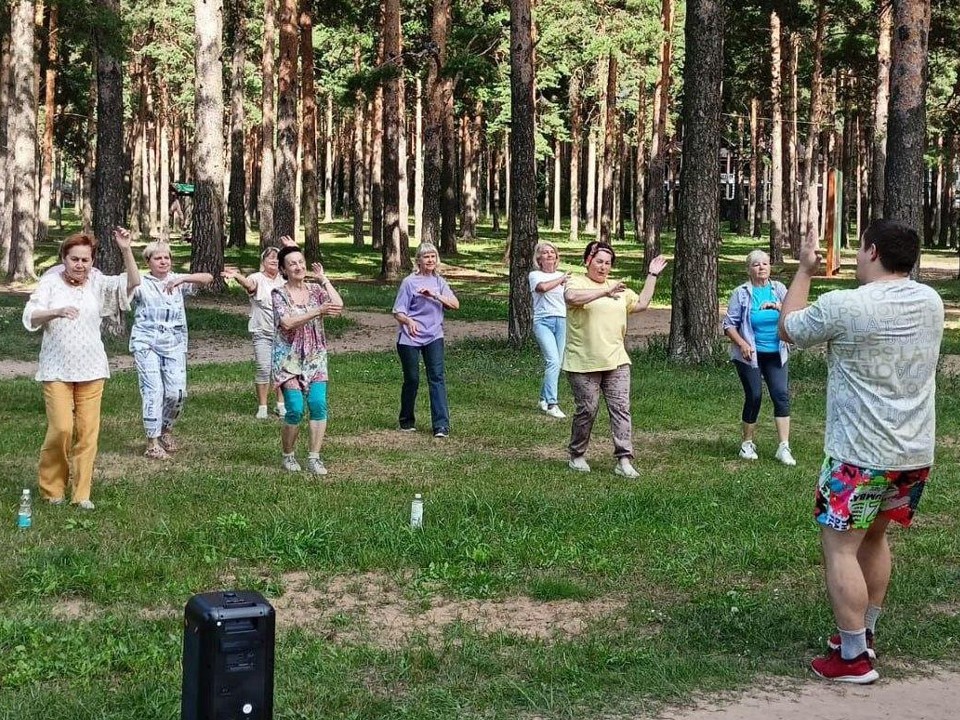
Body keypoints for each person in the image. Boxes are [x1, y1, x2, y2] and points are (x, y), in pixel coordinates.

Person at [779, 220, 944, 684]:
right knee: (875, 539)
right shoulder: (930, 302)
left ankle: (852, 658)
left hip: (859, 455)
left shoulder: (847, 305)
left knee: (839, 547)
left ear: (871, 251)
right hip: (913, 452)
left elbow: (789, 329)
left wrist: (805, 271)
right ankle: (865, 634)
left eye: (859, 249)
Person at [22, 229, 141, 510]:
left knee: (88, 433)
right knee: (62, 429)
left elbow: (132, 284)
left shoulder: (97, 282)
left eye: (85, 260)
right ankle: (53, 489)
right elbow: (31, 315)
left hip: (92, 368)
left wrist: (126, 249)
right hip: (57, 369)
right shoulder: (51, 283)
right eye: (74, 259)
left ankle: (81, 494)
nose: (80, 265)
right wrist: (56, 311)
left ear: (92, 261)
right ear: (64, 258)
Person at [563, 241, 667, 478]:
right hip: (583, 361)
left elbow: (641, 303)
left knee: (621, 409)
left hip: (617, 360)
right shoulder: (576, 282)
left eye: (608, 263)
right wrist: (603, 292)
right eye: (599, 261)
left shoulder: (618, 287)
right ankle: (577, 455)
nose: (603, 267)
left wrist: (652, 275)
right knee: (587, 410)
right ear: (588, 261)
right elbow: (571, 297)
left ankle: (624, 459)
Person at [130, 242, 214, 459]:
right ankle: (152, 442)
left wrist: (183, 279)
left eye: (166, 258)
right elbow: (128, 287)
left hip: (174, 344)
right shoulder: (141, 282)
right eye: (158, 258)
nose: (163, 262)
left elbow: (208, 278)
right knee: (153, 391)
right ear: (148, 262)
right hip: (145, 343)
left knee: (177, 393)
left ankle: (166, 429)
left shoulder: (177, 280)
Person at [272, 245, 344, 475]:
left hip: (315, 355)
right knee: (294, 407)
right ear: (283, 269)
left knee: (317, 404)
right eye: (292, 263)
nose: (298, 266)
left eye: (301, 262)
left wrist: (324, 280)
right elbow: (287, 323)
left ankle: (314, 457)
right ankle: (288, 455)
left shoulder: (315, 290)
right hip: (289, 358)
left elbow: (338, 306)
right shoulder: (279, 294)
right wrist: (317, 311)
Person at [722, 249, 795, 466]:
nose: (761, 267)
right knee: (754, 396)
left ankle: (783, 447)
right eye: (756, 264)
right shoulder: (741, 293)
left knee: (781, 395)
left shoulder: (779, 289)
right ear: (749, 269)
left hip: (776, 353)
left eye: (765, 263)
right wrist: (742, 344)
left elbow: (795, 313)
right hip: (749, 355)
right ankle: (747, 443)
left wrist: (778, 306)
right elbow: (728, 325)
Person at [392, 242, 460, 437]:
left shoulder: (439, 282)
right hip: (409, 338)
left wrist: (435, 295)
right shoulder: (409, 282)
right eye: (426, 257)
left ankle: (441, 426)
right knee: (412, 379)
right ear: (418, 261)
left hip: (434, 336)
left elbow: (455, 304)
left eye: (433, 257)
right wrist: (408, 321)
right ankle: (406, 420)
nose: (430, 260)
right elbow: (397, 311)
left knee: (437, 378)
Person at [222, 246, 287, 419]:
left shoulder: (285, 280)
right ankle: (263, 407)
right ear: (263, 262)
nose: (274, 260)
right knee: (264, 368)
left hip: (285, 333)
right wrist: (237, 277)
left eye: (277, 258)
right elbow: (249, 285)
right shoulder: (256, 278)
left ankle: (281, 405)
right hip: (262, 332)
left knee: (282, 369)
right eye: (270, 258)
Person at [529, 241, 570, 419]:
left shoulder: (563, 276)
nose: (549, 255)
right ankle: (553, 403)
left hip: (561, 320)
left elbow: (572, 296)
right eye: (544, 253)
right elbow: (543, 288)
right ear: (539, 258)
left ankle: (543, 399)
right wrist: (562, 279)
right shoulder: (535, 275)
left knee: (557, 362)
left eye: (552, 252)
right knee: (553, 360)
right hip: (542, 322)